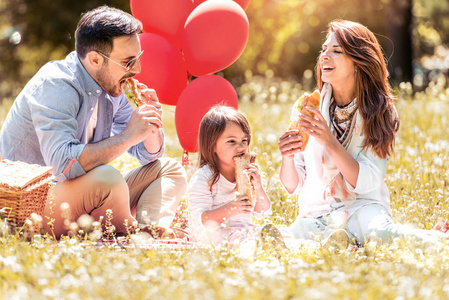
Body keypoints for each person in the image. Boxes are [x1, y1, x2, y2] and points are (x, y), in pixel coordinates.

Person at [0, 6, 186, 238]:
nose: (137, 70)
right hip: (31, 204)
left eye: (137, 59)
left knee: (169, 169)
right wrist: (128, 135)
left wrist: (150, 125)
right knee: (108, 179)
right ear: (95, 59)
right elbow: (64, 165)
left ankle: (152, 228)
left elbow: (148, 156)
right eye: (128, 62)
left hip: (81, 192)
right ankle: (133, 232)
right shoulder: (56, 85)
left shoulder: (112, 86)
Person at [278, 20, 445, 248]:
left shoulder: (380, 111)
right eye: (324, 49)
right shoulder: (306, 107)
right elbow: (292, 186)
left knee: (381, 235)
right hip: (318, 213)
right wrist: (287, 157)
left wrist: (329, 141)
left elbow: (366, 183)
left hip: (363, 208)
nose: (325, 56)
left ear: (358, 62)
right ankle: (332, 242)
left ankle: (438, 240)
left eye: (336, 51)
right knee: (293, 237)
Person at [187, 105, 285, 250]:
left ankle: (274, 244)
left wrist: (258, 186)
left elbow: (262, 212)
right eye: (232, 141)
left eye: (244, 141)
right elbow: (201, 221)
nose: (241, 147)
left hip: (245, 229)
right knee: (236, 239)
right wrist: (232, 208)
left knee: (282, 232)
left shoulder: (247, 173)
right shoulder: (204, 178)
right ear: (212, 145)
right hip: (216, 234)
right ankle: (255, 248)